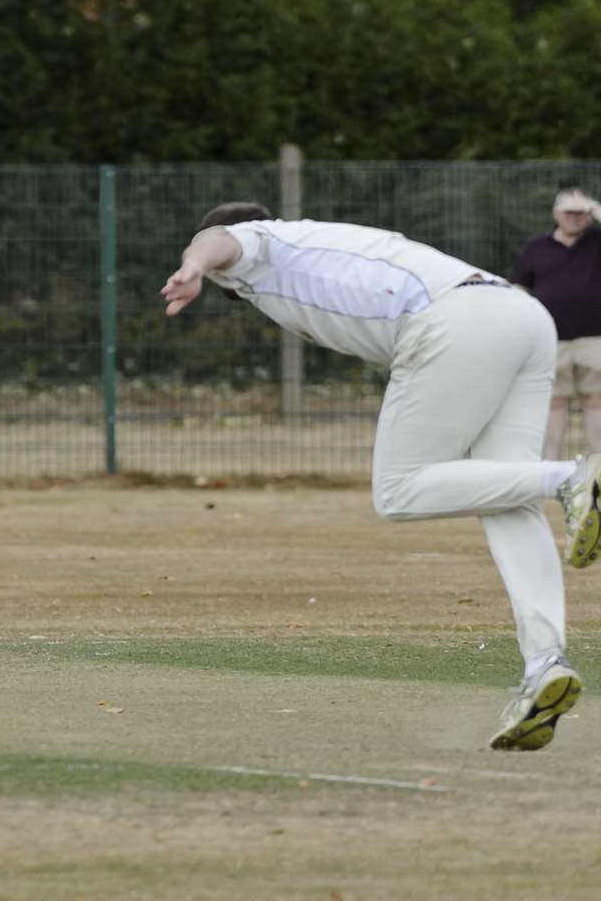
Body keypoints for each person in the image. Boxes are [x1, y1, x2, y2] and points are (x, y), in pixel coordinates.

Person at [162, 203, 601, 751]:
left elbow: (220, 238)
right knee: (508, 490)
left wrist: (195, 264)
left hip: (454, 321)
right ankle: (545, 663)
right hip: (521, 316)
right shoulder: (313, 243)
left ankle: (572, 474)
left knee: (399, 491)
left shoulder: (254, 243)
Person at [511, 188, 601, 459]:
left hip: (594, 338)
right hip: (550, 339)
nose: (575, 218)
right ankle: (549, 470)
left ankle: (598, 470)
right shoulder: (536, 246)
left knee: (595, 401)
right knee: (553, 403)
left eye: (580, 212)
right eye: (569, 212)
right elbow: (520, 286)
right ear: (556, 213)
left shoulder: (597, 240)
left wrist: (595, 208)